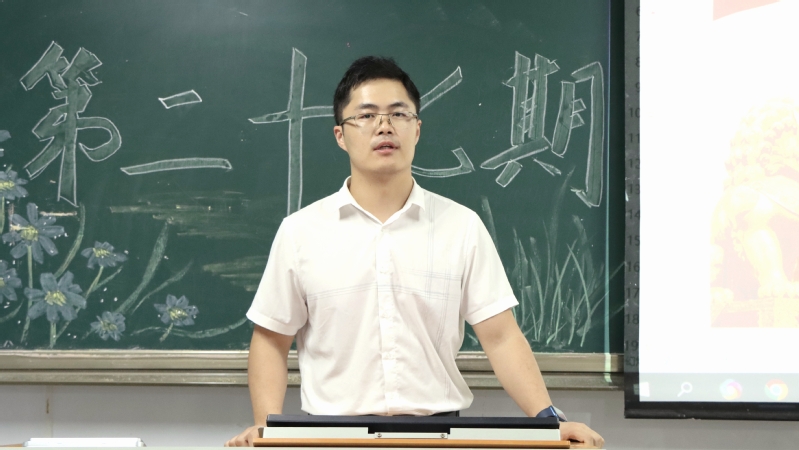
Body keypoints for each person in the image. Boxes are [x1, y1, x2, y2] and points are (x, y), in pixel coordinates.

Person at [225, 56, 604, 447]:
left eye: (399, 114)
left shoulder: (461, 226)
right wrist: (266, 430)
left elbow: (501, 337)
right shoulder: (301, 232)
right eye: (366, 115)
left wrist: (548, 421)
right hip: (331, 437)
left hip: (438, 437)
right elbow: (271, 339)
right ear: (340, 135)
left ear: (417, 129)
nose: (384, 126)